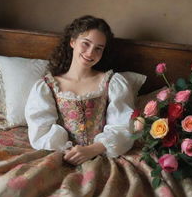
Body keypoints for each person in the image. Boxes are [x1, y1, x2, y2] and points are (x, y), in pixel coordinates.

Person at [25, 15, 134, 166]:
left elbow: (123, 127)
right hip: (61, 156)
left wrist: (93, 149)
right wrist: (67, 151)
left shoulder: (112, 83)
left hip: (103, 155)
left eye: (98, 48)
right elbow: (40, 130)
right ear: (72, 41)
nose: (90, 53)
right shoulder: (47, 86)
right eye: (86, 44)